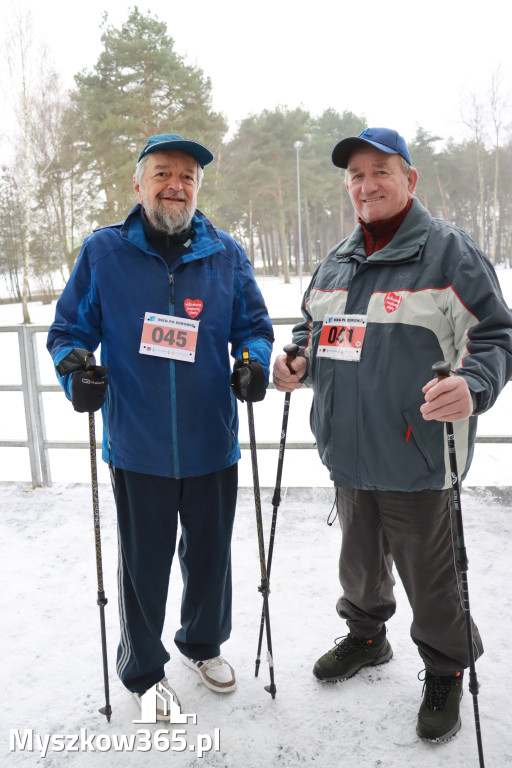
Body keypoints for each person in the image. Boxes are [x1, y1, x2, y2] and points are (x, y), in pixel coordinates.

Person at [273, 127, 512, 742]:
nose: (366, 183)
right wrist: (298, 359)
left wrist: (475, 384)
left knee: (432, 576)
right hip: (348, 452)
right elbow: (313, 329)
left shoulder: (448, 254)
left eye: (380, 170)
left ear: (410, 179)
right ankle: (367, 634)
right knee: (359, 562)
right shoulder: (337, 260)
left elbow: (494, 336)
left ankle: (446, 665)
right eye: (355, 175)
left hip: (420, 454)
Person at [47, 133, 274, 718]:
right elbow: (69, 331)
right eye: (164, 173)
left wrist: (250, 362)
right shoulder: (104, 253)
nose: (177, 185)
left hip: (210, 439)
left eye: (188, 177)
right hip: (138, 442)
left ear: (198, 187)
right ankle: (144, 669)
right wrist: (78, 374)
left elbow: (253, 327)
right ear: (139, 183)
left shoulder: (226, 254)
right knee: (143, 563)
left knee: (210, 557)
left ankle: (202, 643)